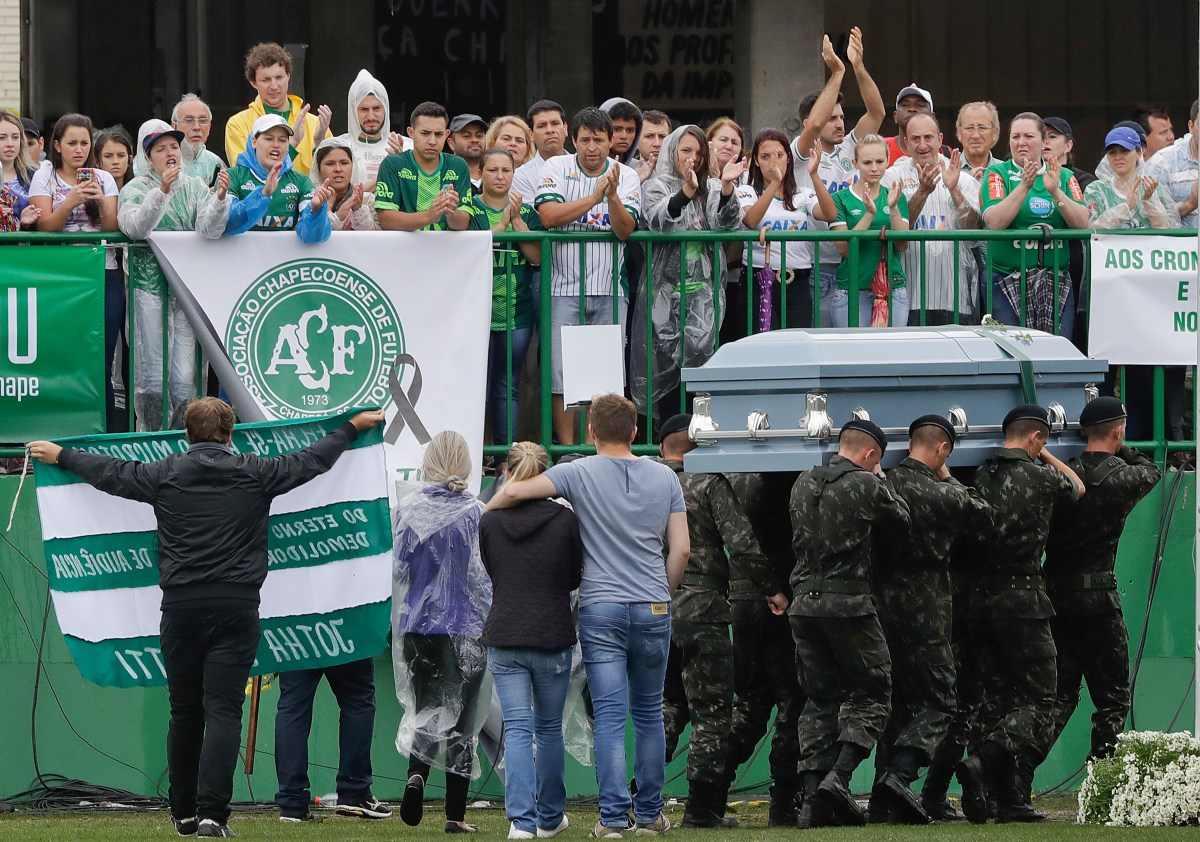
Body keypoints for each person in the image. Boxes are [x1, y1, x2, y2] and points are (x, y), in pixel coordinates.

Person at [28, 400, 387, 839]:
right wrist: (350, 427)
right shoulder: (256, 472)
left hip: (180, 609)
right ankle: (213, 815)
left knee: (184, 712)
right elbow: (312, 460)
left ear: (187, 435)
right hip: (236, 608)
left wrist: (61, 456)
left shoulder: (163, 474)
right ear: (229, 433)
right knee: (222, 711)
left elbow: (110, 472)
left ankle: (182, 813)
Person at [486, 392, 690, 839]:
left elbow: (518, 489)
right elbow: (681, 548)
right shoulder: (665, 478)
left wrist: (487, 511)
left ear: (591, 431)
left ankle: (613, 819)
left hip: (603, 606)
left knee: (611, 717)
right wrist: (663, 594)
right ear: (636, 432)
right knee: (651, 712)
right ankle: (651, 814)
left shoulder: (576, 471)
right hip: (653, 603)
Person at [655, 414, 785, 828]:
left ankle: (642, 796)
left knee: (665, 706)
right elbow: (741, 545)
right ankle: (702, 809)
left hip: (653, 608)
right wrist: (772, 588)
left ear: (662, 448)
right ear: (699, 447)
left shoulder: (641, 481)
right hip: (704, 610)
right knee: (712, 713)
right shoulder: (708, 483)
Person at [956, 405, 1084, 825]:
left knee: (994, 697)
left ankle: (1002, 800)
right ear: (1036, 438)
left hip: (980, 601)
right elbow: (1078, 488)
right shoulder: (1043, 477)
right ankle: (984, 762)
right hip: (1024, 600)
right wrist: (1043, 453)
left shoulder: (978, 473)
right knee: (1040, 698)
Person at [868, 416, 994, 825]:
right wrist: (949, 478)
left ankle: (883, 801)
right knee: (941, 701)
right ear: (942, 449)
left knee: (897, 703)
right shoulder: (944, 494)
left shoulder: (883, 484)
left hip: (882, 605)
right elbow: (985, 516)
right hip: (928, 608)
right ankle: (899, 775)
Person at [789, 419, 910, 828]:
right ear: (871, 454)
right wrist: (881, 480)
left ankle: (811, 803)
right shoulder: (866, 484)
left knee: (819, 699)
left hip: (804, 603)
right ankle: (839, 778)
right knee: (874, 691)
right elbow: (902, 523)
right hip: (850, 605)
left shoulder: (803, 482)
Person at [1042, 398, 1161, 767]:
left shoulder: (1060, 476)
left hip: (1054, 595)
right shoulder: (1124, 479)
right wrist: (1118, 444)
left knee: (1061, 693)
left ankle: (1013, 773)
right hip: (1097, 599)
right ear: (1119, 429)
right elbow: (1150, 469)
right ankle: (1101, 776)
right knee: (1112, 697)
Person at [478, 441, 582, 840]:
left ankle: (521, 822)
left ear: (507, 473)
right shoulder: (565, 521)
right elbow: (574, 576)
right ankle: (550, 817)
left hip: (506, 633)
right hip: (552, 633)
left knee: (518, 729)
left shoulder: (490, 521)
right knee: (549, 729)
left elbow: (492, 569)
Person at [392, 431, 492, 834]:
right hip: (466, 626)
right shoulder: (477, 512)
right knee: (463, 722)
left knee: (426, 708)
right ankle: (455, 814)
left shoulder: (407, 509)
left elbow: (399, 567)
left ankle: (417, 775)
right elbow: (484, 576)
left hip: (419, 625)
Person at [535, 108, 641, 445]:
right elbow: (548, 216)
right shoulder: (556, 166)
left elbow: (625, 230)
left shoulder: (627, 175)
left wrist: (610, 198)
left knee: (605, 376)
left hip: (610, 288)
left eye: (599, 140)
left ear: (612, 142)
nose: (591, 147)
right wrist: (593, 198)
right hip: (561, 287)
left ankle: (600, 446)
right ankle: (568, 449)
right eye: (585, 140)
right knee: (560, 376)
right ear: (573, 139)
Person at [630, 125, 746, 430]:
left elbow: (726, 223)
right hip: (664, 293)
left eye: (698, 152)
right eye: (686, 151)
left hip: (703, 293)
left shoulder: (709, 187)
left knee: (700, 367)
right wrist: (685, 194)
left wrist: (727, 187)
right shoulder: (656, 186)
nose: (693, 158)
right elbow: (659, 221)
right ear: (672, 151)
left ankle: (698, 434)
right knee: (666, 366)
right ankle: (671, 437)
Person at [118, 120, 231, 431]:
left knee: (185, 376)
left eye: (173, 146)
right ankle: (150, 441)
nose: (170, 153)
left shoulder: (195, 186)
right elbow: (135, 227)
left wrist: (220, 199)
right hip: (147, 289)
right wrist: (162, 192)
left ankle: (184, 438)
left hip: (186, 290)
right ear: (147, 155)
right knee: (152, 373)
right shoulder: (135, 189)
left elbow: (209, 229)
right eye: (160, 148)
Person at [1088, 125, 1183, 446]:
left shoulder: (1153, 187)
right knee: (1108, 369)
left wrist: (1148, 200)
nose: (1117, 157)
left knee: (1146, 369)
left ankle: (1149, 439)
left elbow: (1170, 232)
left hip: (1149, 296)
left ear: (1139, 153)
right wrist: (1126, 207)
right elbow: (1091, 229)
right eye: (1112, 152)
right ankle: (1105, 442)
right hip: (1109, 295)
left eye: (1124, 151)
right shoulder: (1097, 191)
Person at [722, 471, 805, 826]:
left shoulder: (731, 473)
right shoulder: (794, 474)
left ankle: (709, 789)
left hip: (743, 596)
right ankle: (784, 802)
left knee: (753, 702)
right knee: (793, 703)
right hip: (781, 594)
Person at [29, 113, 122, 430]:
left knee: (102, 362)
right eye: (71, 143)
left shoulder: (104, 178)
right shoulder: (44, 176)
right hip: (61, 278)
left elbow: (112, 228)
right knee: (62, 358)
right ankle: (61, 430)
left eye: (84, 142)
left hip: (104, 274)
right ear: (57, 145)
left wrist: (101, 201)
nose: (79, 149)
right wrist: (69, 201)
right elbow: (44, 227)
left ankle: (104, 434)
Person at [793, 30, 886, 321]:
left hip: (854, 261)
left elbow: (877, 112)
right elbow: (817, 121)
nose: (839, 123)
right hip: (818, 266)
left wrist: (857, 67)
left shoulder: (851, 147)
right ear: (810, 123)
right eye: (832, 118)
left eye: (842, 117)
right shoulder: (801, 152)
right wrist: (837, 72)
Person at [979, 112, 1089, 335]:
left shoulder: (1064, 176)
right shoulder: (996, 173)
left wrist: (1055, 190)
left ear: (1044, 141)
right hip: (1004, 278)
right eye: (1015, 137)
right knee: (1013, 353)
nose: (1021, 143)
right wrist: (1024, 187)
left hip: (1056, 279)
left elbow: (1081, 223)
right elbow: (995, 222)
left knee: (1057, 352)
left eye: (1029, 136)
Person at [464, 148, 542, 453]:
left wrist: (517, 221)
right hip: (475, 313)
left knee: (506, 387)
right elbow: (468, 250)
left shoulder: (529, 212)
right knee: (475, 386)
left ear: (514, 173)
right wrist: (500, 226)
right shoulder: (468, 210)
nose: (499, 176)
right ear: (480, 173)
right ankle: (474, 454)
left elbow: (536, 257)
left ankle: (503, 458)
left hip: (516, 312)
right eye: (492, 170)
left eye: (506, 170)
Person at [732, 128, 835, 339]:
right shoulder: (747, 190)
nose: (773, 162)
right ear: (757, 162)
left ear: (789, 158)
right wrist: (775, 185)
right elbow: (751, 220)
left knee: (795, 345)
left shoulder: (802, 195)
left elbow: (829, 213)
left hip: (797, 281)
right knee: (761, 347)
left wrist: (814, 175)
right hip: (758, 279)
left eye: (779, 155)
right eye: (765, 156)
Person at [881, 113, 981, 325]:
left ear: (940, 139)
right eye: (915, 139)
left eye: (928, 137)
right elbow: (891, 230)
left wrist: (954, 189)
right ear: (906, 143)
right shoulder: (891, 177)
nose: (922, 144)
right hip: (908, 296)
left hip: (956, 294)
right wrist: (923, 192)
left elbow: (975, 232)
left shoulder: (963, 178)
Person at [829, 134, 910, 327]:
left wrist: (893, 208)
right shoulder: (840, 198)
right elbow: (844, 249)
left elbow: (902, 244)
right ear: (855, 163)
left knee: (892, 355)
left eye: (880, 161)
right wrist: (869, 215)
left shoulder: (896, 196)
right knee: (853, 355)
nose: (874, 168)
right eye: (867, 162)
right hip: (852, 289)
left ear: (888, 161)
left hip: (892, 288)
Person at [225, 42, 331, 176]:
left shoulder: (316, 124)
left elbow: (332, 178)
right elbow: (244, 178)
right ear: (253, 83)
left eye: (279, 77)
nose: (274, 86)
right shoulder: (237, 124)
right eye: (266, 79)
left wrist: (319, 144)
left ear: (289, 76)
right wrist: (291, 147)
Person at [225, 114, 333, 242]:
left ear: (288, 146)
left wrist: (316, 210)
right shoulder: (232, 176)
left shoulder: (301, 182)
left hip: (285, 262)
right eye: (269, 138)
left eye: (282, 140)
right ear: (254, 142)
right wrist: (262, 195)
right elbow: (227, 223)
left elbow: (311, 237)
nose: (276, 145)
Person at [375, 101, 471, 232]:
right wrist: (429, 216)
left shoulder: (458, 165)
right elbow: (386, 220)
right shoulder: (393, 164)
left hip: (445, 251)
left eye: (438, 134)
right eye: (425, 133)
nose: (432, 141)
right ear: (411, 132)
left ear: (447, 134)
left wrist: (452, 212)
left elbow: (463, 223)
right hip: (404, 250)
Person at [336, 69, 410, 191]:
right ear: (353, 111)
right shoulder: (339, 148)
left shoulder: (408, 147)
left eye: (376, 108)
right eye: (364, 109)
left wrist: (403, 164)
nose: (371, 117)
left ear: (385, 108)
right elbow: (334, 198)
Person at [1143, 98, 1199, 228]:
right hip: (1182, 247)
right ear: (1191, 126)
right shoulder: (1162, 162)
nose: (1170, 136)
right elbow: (1152, 220)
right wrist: (1191, 204)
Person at [312, 137, 379, 231]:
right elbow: (308, 235)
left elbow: (377, 239)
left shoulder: (367, 200)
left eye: (344, 163)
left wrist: (358, 211)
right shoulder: (311, 199)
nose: (338, 169)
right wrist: (337, 217)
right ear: (318, 168)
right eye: (330, 164)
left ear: (353, 166)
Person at [512, 100, 568, 200]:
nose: (550, 130)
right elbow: (538, 215)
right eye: (542, 126)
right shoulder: (521, 176)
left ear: (565, 128)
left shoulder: (583, 166)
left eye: (555, 123)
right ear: (531, 134)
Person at [170, 94, 226, 180]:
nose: (196, 127)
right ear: (174, 126)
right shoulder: (165, 160)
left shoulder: (215, 163)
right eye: (189, 121)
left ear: (209, 127)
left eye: (203, 121)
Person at [0, 109, 40, 231]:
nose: (10, 144)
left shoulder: (34, 175)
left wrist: (25, 224)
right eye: (2, 138)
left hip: (23, 248)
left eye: (15, 137)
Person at [884, 83, 935, 165]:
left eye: (920, 105)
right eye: (905, 105)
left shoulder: (945, 152)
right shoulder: (881, 147)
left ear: (932, 117)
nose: (912, 109)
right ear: (895, 116)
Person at [1043, 118, 1095, 192]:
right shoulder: (1029, 177)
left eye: (1052, 136)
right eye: (1041, 137)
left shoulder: (1086, 182)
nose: (1045, 141)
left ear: (1068, 146)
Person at [957, 102, 1002, 179]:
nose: (975, 136)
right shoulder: (946, 172)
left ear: (995, 133)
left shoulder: (1005, 172)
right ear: (959, 133)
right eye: (969, 128)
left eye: (982, 128)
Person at [599, 97, 643, 165]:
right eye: (617, 129)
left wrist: (637, 175)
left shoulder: (643, 169)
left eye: (630, 130)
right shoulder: (580, 168)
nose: (624, 136)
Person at [448, 114, 487, 190]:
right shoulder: (443, 177)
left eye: (479, 135)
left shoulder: (497, 176)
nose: (475, 140)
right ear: (451, 143)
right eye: (466, 136)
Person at [636, 110, 671, 181]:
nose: (657, 144)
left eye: (662, 137)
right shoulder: (623, 173)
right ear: (636, 142)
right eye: (649, 136)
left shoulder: (681, 175)